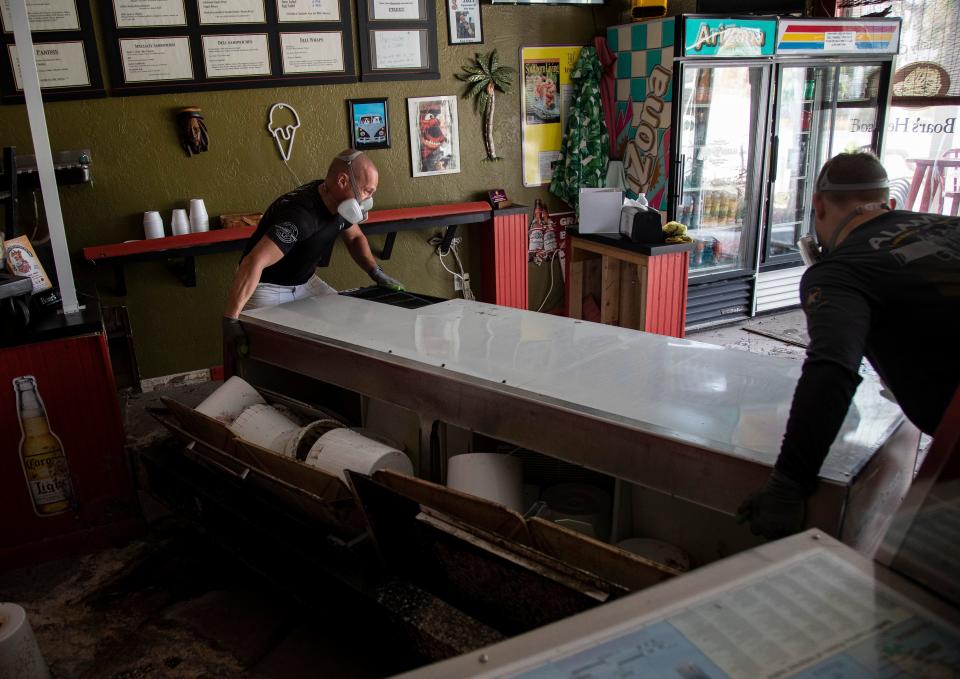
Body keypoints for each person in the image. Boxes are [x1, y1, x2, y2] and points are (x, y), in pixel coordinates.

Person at [738, 152, 960, 539]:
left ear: (819, 206)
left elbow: (832, 369)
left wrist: (788, 484)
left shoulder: (841, 270)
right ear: (888, 202)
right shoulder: (949, 225)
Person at [223, 149, 403, 322]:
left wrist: (375, 271)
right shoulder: (301, 216)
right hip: (269, 288)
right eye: (367, 191)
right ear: (342, 181)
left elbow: (355, 237)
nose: (366, 200)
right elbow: (253, 262)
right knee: (276, 347)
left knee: (345, 322)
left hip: (306, 283)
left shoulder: (338, 200)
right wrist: (230, 319)